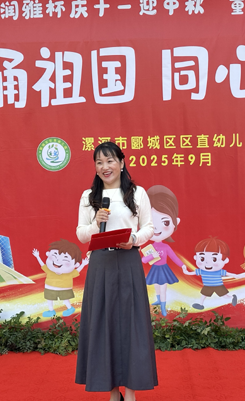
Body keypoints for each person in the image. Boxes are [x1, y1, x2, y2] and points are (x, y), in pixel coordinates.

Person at [75, 142, 157, 401]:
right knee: (103, 324)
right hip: (101, 264)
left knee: (133, 324)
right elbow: (81, 234)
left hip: (129, 261)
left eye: (110, 161)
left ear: (121, 163)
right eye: (99, 163)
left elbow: (149, 227)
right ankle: (113, 393)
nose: (105, 167)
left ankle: (130, 393)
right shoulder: (89, 197)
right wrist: (94, 224)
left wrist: (133, 239)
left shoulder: (137, 193)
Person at [141, 185, 184, 316]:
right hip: (155, 269)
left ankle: (164, 306)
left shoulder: (165, 247)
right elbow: (144, 260)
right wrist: (151, 256)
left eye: (165, 223)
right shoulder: (149, 248)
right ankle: (159, 300)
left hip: (164, 269)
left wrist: (182, 266)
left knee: (163, 287)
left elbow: (173, 257)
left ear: (176, 222)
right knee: (156, 285)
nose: (156, 228)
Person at [31, 238, 89, 317]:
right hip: (50, 288)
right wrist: (37, 256)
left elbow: (77, 271)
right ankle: (51, 310)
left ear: (75, 264)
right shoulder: (50, 270)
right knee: (49, 299)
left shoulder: (69, 274)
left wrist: (83, 264)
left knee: (65, 299)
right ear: (48, 254)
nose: (58, 261)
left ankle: (70, 308)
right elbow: (42, 265)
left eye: (65, 259)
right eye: (55, 255)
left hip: (64, 289)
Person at [182, 236, 239, 310]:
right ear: (196, 258)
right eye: (202, 258)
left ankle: (232, 297)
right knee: (203, 295)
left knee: (224, 296)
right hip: (207, 285)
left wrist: (235, 275)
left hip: (218, 285)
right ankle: (200, 305)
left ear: (225, 260)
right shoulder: (202, 271)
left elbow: (228, 273)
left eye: (214, 259)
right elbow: (192, 273)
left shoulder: (218, 271)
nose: (207, 262)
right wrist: (186, 272)